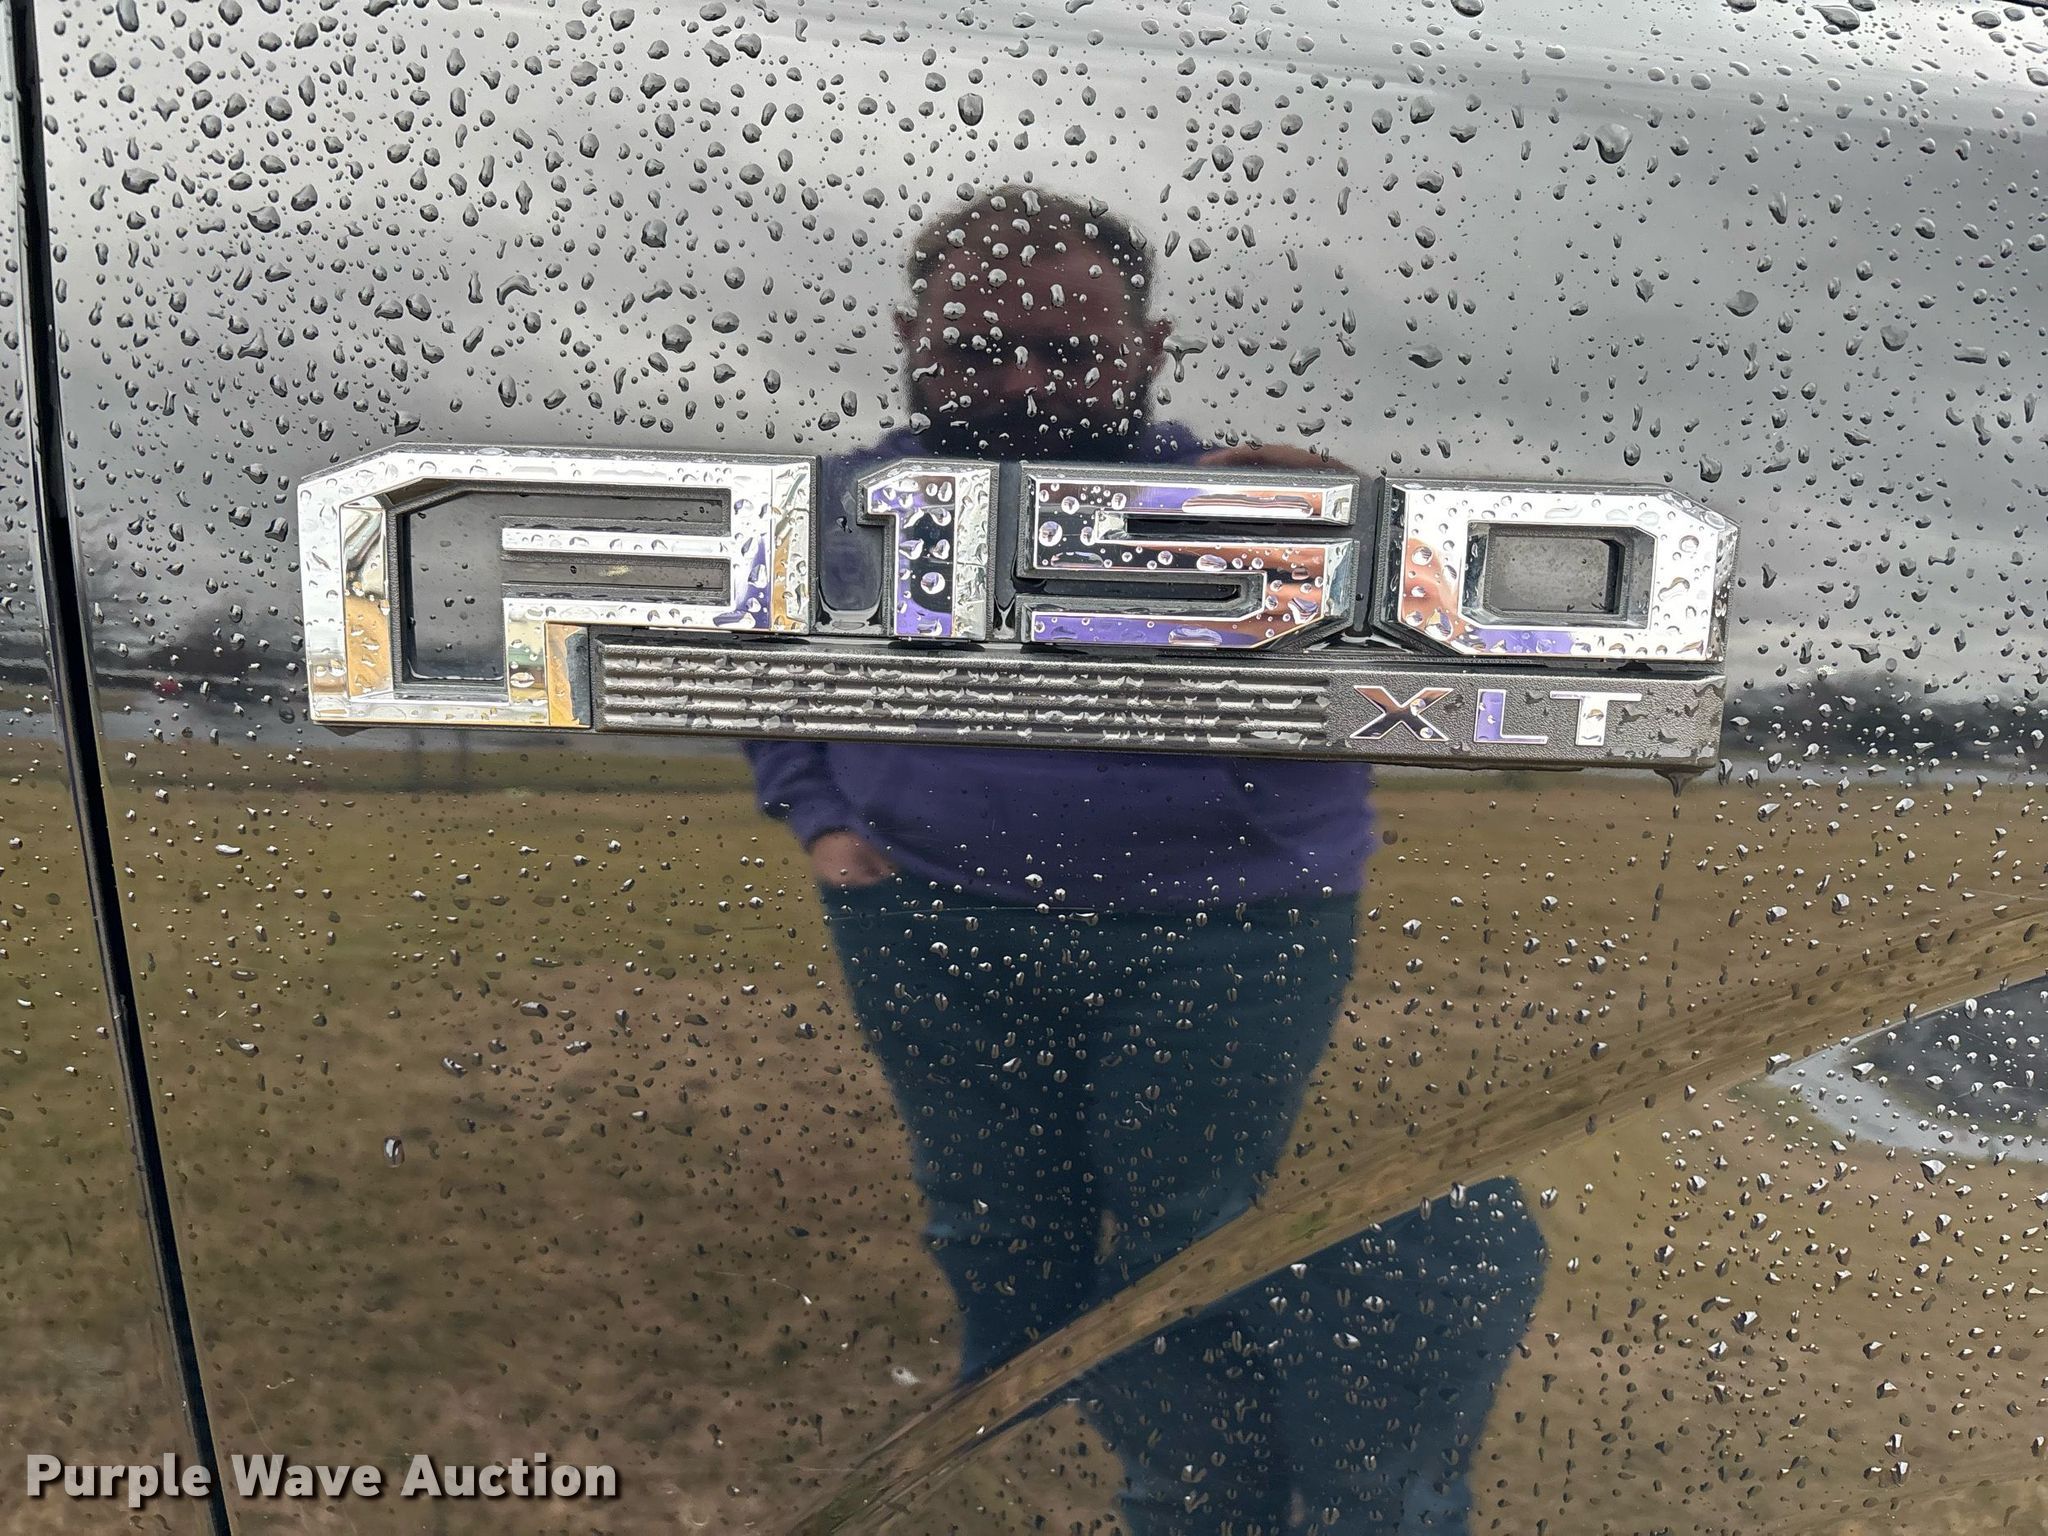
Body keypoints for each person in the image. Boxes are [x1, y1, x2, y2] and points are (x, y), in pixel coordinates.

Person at [746, 186, 1544, 1534]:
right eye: (978, 346)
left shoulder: (1250, 496)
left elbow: (1424, 678)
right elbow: (764, 675)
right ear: (910, 336)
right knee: (990, 1215)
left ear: (1148, 348)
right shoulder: (838, 505)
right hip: (922, 905)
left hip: (1228, 924)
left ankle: (1208, 1489)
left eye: (1063, 351)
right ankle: (1037, 1382)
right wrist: (816, 815)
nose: (1018, 381)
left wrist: (1360, 546)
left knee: (1191, 1225)